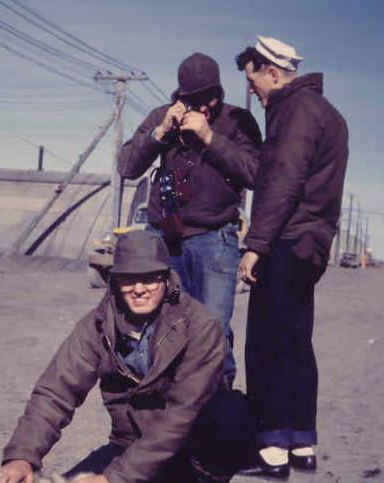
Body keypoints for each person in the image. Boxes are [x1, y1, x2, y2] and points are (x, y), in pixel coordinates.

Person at [0, 230, 246, 483]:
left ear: (167, 280)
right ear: (114, 281)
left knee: (231, 412)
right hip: (129, 445)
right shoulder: (97, 323)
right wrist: (22, 457)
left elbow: (182, 413)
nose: (139, 289)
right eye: (128, 279)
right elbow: (56, 391)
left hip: (187, 447)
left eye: (150, 278)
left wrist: (114, 478)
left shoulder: (200, 326)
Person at [234, 36, 349, 478]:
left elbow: (282, 182)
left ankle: (272, 451)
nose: (252, 90)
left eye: (254, 80)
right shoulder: (326, 113)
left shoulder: (297, 112)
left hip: (285, 240)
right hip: (311, 243)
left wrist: (255, 246)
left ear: (273, 72)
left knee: (266, 344)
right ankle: (302, 444)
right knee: (296, 342)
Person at [118, 52, 262, 386]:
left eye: (211, 97)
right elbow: (126, 166)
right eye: (195, 99)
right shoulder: (163, 117)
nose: (204, 105)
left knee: (212, 329)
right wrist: (159, 133)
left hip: (215, 239)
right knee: (165, 324)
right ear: (180, 96)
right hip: (166, 238)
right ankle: (168, 400)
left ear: (219, 93)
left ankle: (219, 402)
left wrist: (210, 137)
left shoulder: (237, 121)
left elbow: (256, 174)